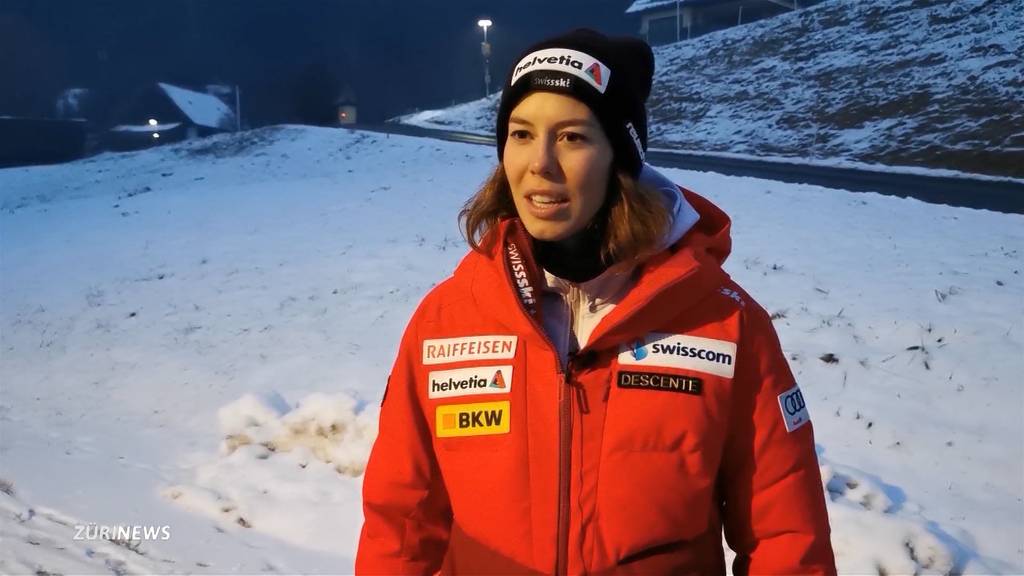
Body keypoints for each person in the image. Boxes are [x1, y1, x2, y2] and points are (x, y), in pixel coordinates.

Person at [356, 29, 836, 575]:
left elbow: (786, 537)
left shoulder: (723, 321)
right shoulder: (446, 321)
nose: (540, 163)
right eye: (521, 134)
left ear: (620, 158)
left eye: (572, 137)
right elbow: (400, 526)